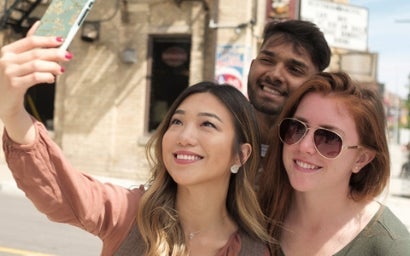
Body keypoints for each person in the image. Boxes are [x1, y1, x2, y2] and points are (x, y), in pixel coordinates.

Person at [0, 24, 272, 255]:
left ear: (241, 154)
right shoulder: (130, 214)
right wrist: (12, 111)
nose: (184, 136)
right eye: (176, 121)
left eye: (207, 124)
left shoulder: (257, 250)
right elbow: (59, 188)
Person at [258, 72, 410, 255]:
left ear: (361, 159)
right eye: (296, 128)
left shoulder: (391, 246)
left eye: (328, 138)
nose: (304, 146)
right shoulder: (256, 215)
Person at [247, 20, 331, 156]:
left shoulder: (317, 154)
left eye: (294, 69)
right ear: (252, 66)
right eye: (267, 60)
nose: (274, 75)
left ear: (315, 85)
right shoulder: (220, 133)